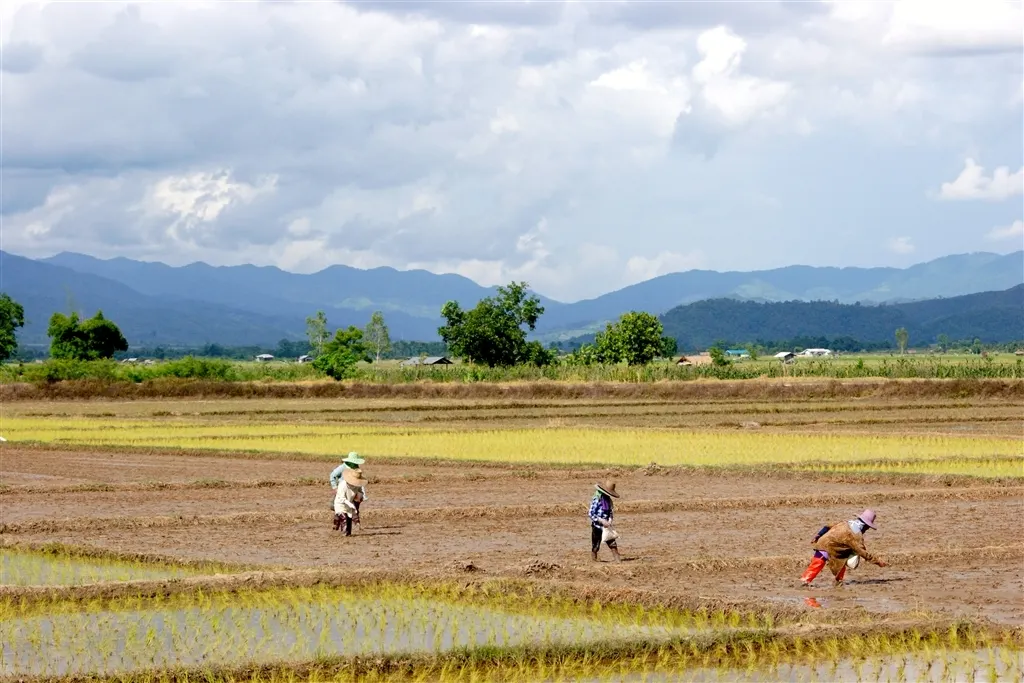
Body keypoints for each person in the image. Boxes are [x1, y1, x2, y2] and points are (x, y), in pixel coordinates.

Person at [800, 508, 887, 587]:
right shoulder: (856, 535)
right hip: (826, 547)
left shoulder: (845, 522)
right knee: (817, 564)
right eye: (867, 528)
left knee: (839, 565)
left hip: (825, 544)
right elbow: (863, 553)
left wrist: (818, 535)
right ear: (865, 526)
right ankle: (804, 582)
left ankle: (838, 583)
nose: (866, 530)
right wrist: (878, 562)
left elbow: (827, 526)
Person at [329, 453, 366, 528]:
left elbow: (359, 481)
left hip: (354, 490)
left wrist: (362, 493)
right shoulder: (343, 467)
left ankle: (356, 523)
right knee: (339, 506)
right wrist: (335, 487)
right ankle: (336, 523)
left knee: (355, 506)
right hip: (343, 490)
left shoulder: (357, 468)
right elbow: (332, 475)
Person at [588, 480, 622, 562]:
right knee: (595, 545)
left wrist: (610, 520)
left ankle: (618, 561)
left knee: (613, 544)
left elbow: (610, 512)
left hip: (606, 526)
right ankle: (594, 560)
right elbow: (591, 513)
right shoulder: (597, 499)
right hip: (597, 526)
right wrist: (601, 520)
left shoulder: (608, 501)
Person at [333, 467, 368, 536]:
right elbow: (341, 498)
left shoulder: (357, 485)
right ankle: (344, 534)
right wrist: (351, 504)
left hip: (349, 503)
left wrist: (360, 497)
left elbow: (360, 492)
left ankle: (348, 533)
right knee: (344, 519)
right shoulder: (342, 485)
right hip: (340, 504)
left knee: (349, 520)